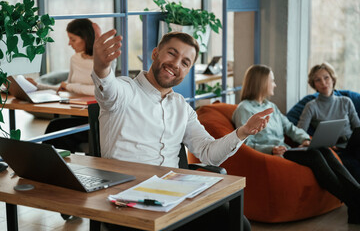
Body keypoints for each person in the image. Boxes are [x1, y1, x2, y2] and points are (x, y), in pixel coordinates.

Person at [91, 24, 273, 231]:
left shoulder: (182, 108)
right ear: (155, 53)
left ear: (187, 71)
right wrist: (101, 67)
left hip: (171, 198)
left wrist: (243, 132)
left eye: (185, 62)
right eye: (172, 54)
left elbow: (208, 154)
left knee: (237, 223)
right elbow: (107, 88)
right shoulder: (125, 91)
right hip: (126, 200)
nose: (176, 64)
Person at [232, 64, 360, 224]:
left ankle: (356, 203)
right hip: (273, 153)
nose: (275, 84)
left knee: (322, 150)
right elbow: (245, 144)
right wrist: (270, 149)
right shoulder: (244, 109)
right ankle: (355, 201)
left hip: (285, 150)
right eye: (272, 80)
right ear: (261, 82)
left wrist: (307, 139)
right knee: (314, 155)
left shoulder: (271, 107)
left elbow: (291, 128)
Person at [40, 19, 96, 153]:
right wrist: (37, 85)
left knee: (56, 130)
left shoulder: (104, 60)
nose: (69, 43)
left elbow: (97, 90)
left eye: (73, 39)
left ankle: (46, 166)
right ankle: (51, 167)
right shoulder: (75, 58)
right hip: (76, 113)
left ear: (86, 38)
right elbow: (65, 86)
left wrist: (70, 86)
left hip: (95, 118)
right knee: (57, 131)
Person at [298, 63, 360, 182]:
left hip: (353, 145)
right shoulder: (311, 106)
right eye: (318, 80)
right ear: (314, 84)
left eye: (326, 77)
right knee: (353, 167)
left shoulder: (346, 101)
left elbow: (358, 127)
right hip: (332, 150)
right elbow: (300, 132)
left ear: (332, 79)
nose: (323, 83)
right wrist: (310, 142)